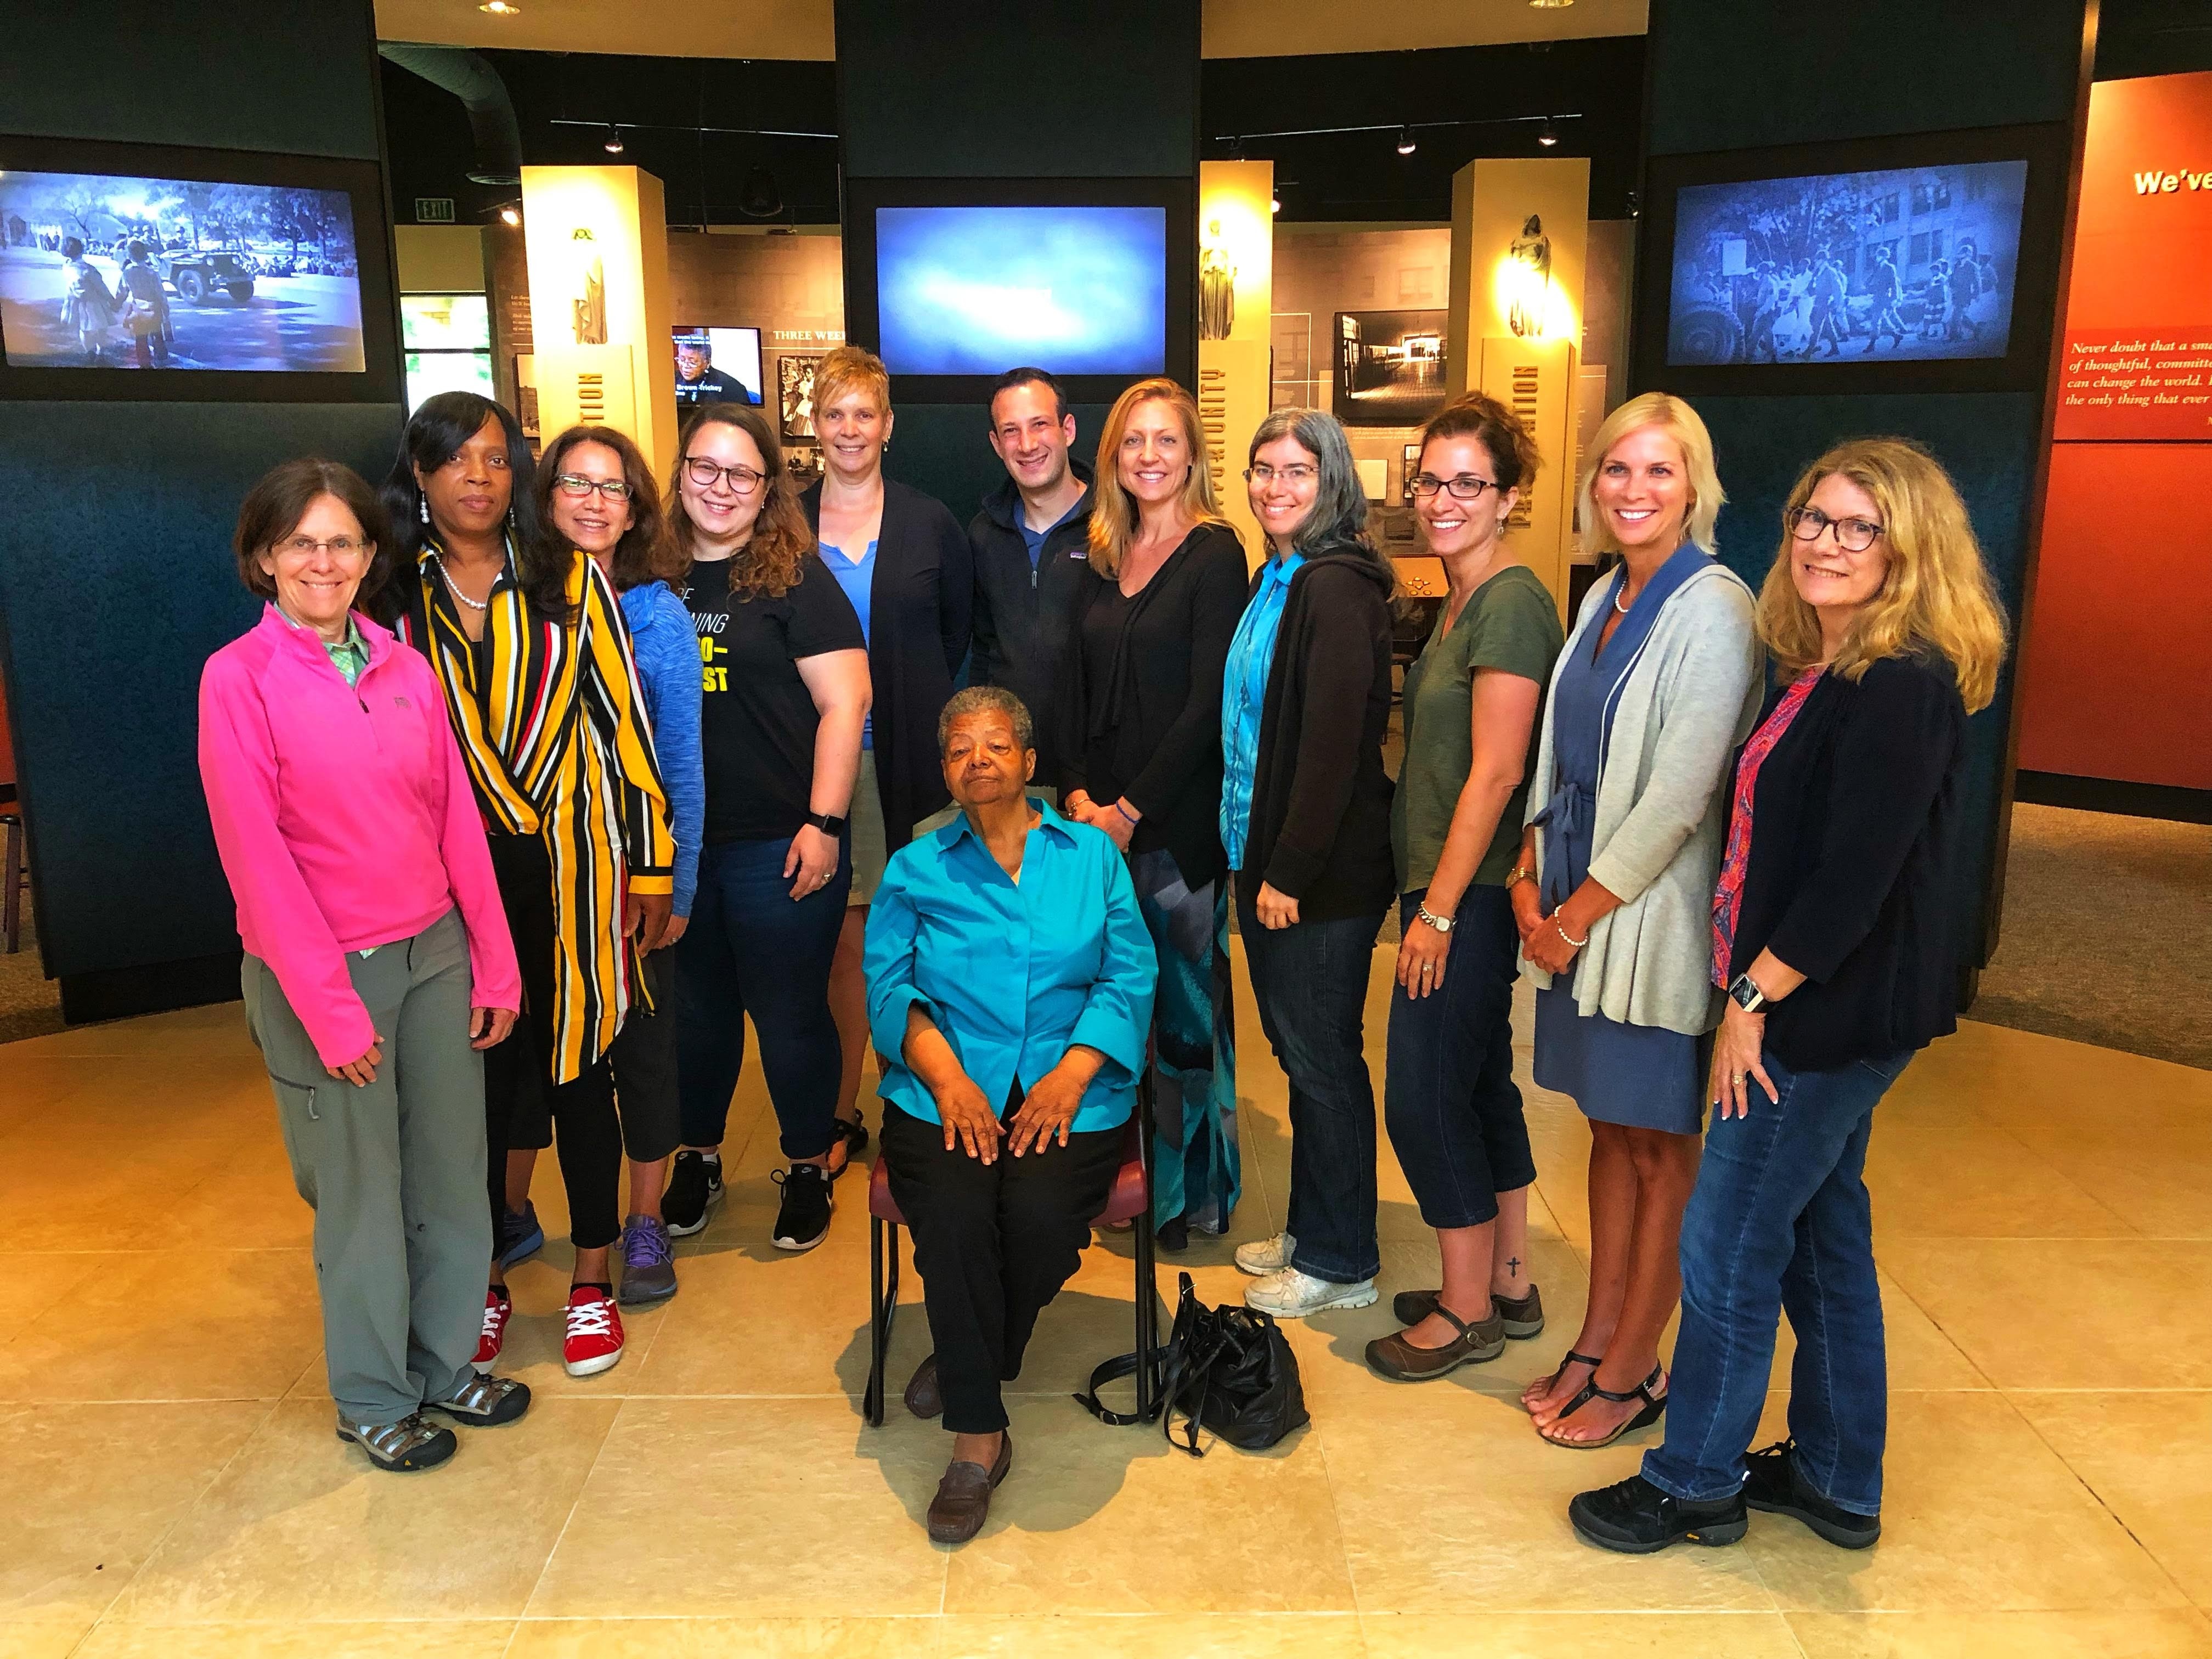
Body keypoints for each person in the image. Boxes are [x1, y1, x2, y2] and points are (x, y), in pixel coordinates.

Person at [1571, 436, 2006, 1553]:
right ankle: (1836, 1476)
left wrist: (1750, 1002)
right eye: (1814, 518)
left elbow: (1851, 880)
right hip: (1822, 1004)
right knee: (1821, 1242)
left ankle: (1695, 1477)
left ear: (1908, 551)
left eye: (1859, 528)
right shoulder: (1826, 665)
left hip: (1820, 1016)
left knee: (1726, 1245)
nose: (1825, 543)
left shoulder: (1900, 684)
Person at [200, 458, 526, 1472]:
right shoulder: (237, 678)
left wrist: (494, 960)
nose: (325, 561)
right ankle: (375, 1394)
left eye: (343, 542)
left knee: (449, 1180)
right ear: (264, 557)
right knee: (361, 1195)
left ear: (371, 556)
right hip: (322, 977)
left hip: (434, 953)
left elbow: (455, 822)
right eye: (302, 543)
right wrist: (333, 1012)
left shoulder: (404, 667)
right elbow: (258, 859)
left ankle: (441, 1361)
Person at [375, 391, 676, 1381]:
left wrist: (650, 861)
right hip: (450, 869)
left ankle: (592, 1279)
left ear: (519, 476)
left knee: (580, 1068)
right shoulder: (388, 595)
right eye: (455, 458)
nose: (477, 476)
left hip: (575, 859)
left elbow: (626, 723)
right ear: (418, 474)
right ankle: (487, 1285)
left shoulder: (565, 575)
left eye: (497, 458)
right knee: (480, 1085)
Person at [1513, 392, 1761, 1448]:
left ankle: (1633, 1366)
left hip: (1641, 923)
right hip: (1570, 905)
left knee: (1659, 1145)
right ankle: (1594, 1336)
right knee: (1608, 1136)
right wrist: (1528, 862)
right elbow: (1556, 749)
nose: (1634, 490)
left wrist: (1568, 917)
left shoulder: (1716, 607)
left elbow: (1679, 795)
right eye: (1618, 468)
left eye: (1659, 472)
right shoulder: (1601, 595)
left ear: (1694, 488)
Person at [865, 686, 1156, 1545]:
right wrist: (949, 1079)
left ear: (1030, 765)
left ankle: (974, 1349)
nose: (977, 760)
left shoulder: (1092, 858)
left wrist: (1073, 1072)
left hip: (1076, 1082)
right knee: (953, 1214)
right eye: (960, 749)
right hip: (941, 1086)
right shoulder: (916, 867)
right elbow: (888, 985)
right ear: (946, 771)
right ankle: (976, 1438)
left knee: (1033, 1211)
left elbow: (1129, 972)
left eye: (996, 746)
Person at [1367, 394, 1564, 1380]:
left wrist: (1437, 910)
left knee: (1424, 1098)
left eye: (1467, 483)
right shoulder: (1457, 597)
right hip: (1452, 889)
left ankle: (1465, 1306)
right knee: (1482, 1083)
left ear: (1509, 494)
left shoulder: (1512, 600)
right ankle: (1509, 1276)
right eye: (1430, 481)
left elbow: (1496, 770)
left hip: (1469, 895)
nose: (1442, 500)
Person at [494, 426, 701, 1306]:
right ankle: (508, 1212)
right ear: (545, 499)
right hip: (524, 875)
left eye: (612, 488)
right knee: (526, 1055)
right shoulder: (511, 601)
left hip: (628, 880)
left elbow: (679, 761)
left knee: (641, 1053)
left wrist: (673, 884)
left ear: (635, 510)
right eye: (574, 483)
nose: (592, 501)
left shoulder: (655, 614)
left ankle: (645, 1220)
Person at [661, 402, 872, 1250]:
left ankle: (809, 1165)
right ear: (678, 476)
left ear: (767, 488)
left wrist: (824, 823)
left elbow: (845, 702)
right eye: (705, 468)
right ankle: (700, 1157)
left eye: (742, 473)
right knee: (697, 1017)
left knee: (788, 1016)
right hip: (674, 850)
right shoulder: (649, 575)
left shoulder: (794, 577)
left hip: (779, 840)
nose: (722, 487)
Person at [1058, 378, 1247, 1248]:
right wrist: (1078, 795)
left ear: (1192, 455)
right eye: (1133, 441)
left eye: (1166, 440)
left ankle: (1191, 1200)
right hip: (1096, 829)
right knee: (1111, 1011)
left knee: (1183, 1021)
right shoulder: (1104, 553)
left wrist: (1131, 808)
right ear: (1112, 458)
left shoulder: (1215, 553)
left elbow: (1211, 702)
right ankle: (1123, 1183)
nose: (1149, 457)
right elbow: (1077, 688)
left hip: (1173, 835)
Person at [1218, 408, 1394, 1318]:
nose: (1275, 486)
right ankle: (1311, 1225)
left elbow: (1328, 748)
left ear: (1331, 482)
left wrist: (1285, 871)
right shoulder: (1276, 576)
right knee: (1297, 1052)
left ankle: (1340, 1259)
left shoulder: (1334, 587)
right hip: (1264, 856)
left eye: (1296, 470)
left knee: (1322, 1060)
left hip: (1315, 878)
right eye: (1262, 469)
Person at [800, 346, 974, 1149]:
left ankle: (923, 1096)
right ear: (814, 425)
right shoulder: (786, 524)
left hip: (913, 759)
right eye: (834, 413)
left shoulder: (929, 521)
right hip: (819, 765)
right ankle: (843, 1109)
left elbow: (956, 635)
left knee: (920, 935)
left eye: (863, 413)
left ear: (889, 425)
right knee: (844, 945)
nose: (849, 429)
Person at [969, 366, 1094, 791]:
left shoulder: (1117, 526)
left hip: (1100, 776)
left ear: (1068, 429)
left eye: (1040, 424)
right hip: (1014, 775)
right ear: (995, 445)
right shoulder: (984, 536)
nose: (1027, 445)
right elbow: (984, 653)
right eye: (1010, 431)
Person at [112, 240, 171, 368]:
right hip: (154, 309)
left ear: (130, 256)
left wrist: (116, 305)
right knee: (157, 336)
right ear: (145, 254)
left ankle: (144, 363)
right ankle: (161, 360)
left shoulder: (127, 273)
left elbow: (123, 292)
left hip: (137, 310)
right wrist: (166, 312)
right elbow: (161, 295)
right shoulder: (152, 273)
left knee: (140, 339)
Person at [59, 238, 116, 362]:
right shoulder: (88, 270)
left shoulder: (67, 267)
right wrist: (112, 300)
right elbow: (101, 287)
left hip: (75, 301)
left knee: (84, 329)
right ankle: (101, 352)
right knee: (102, 327)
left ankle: (89, 352)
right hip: (93, 302)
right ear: (81, 250)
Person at [675, 331, 749, 405]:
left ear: (707, 363)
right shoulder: (671, 380)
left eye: (693, 362)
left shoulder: (732, 388)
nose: (685, 366)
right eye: (682, 359)